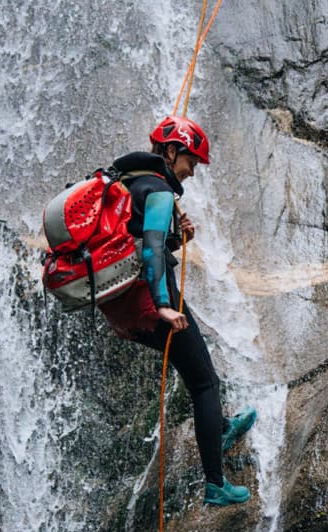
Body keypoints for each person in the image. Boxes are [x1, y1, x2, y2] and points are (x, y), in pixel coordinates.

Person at [99, 116, 256, 506]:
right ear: (171, 151)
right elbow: (150, 247)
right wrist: (165, 306)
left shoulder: (130, 184)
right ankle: (216, 482)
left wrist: (176, 236)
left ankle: (219, 425)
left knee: (194, 368)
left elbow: (144, 240)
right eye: (192, 161)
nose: (193, 170)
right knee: (205, 383)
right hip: (150, 303)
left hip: (120, 306)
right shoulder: (158, 189)